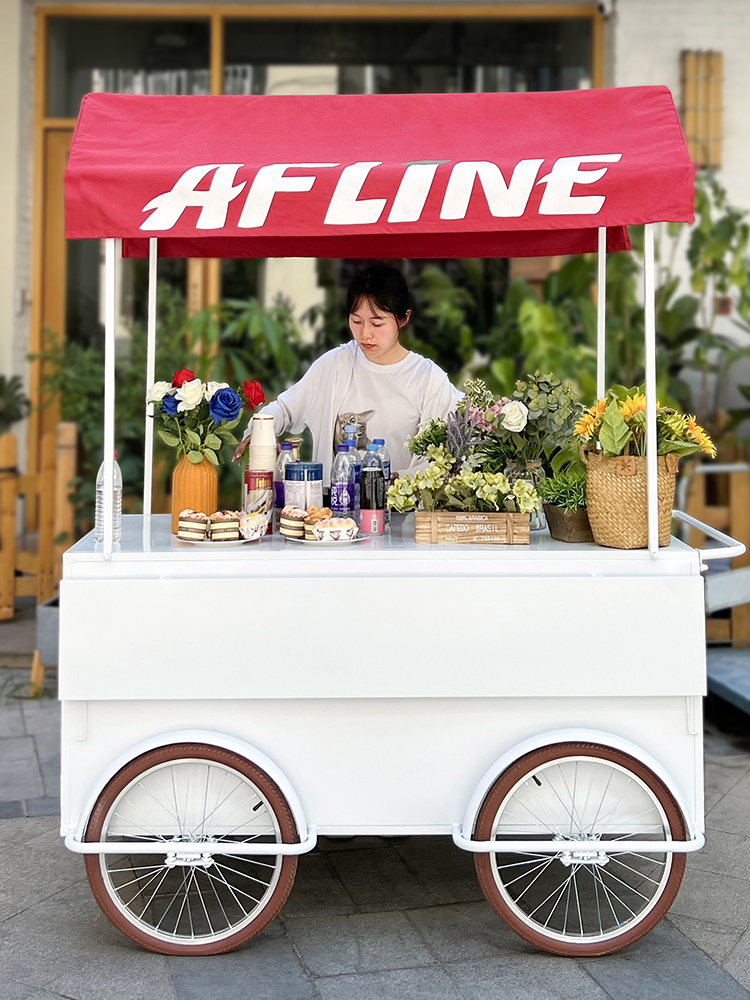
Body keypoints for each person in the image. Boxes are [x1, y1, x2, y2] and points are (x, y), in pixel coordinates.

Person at [234, 265, 462, 484]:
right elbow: (285, 409)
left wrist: (398, 481)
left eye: (377, 323)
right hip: (334, 508)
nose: (365, 333)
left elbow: (448, 458)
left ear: (404, 318)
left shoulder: (428, 379)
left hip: (404, 509)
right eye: (356, 321)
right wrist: (261, 431)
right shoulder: (335, 365)